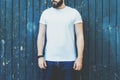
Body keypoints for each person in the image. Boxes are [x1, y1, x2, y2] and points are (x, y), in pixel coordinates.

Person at [37, 0, 84, 80]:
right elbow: (41, 35)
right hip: (49, 61)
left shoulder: (74, 13)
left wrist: (79, 58)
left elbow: (80, 36)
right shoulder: (45, 14)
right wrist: (40, 56)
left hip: (69, 61)